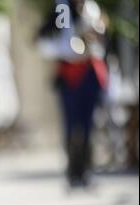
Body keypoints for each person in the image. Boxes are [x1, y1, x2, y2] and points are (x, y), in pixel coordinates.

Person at [38, 0, 108, 188]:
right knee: (70, 126)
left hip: (88, 74)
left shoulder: (91, 8)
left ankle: (87, 170)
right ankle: (72, 172)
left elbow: (102, 40)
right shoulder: (62, 9)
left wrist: (94, 36)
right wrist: (64, 47)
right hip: (69, 75)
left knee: (88, 125)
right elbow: (45, 38)